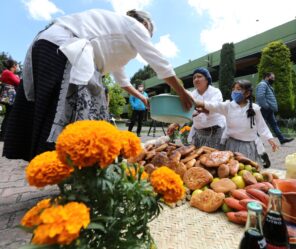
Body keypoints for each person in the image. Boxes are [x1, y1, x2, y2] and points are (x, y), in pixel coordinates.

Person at [3, 9, 193, 161]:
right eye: (149, 32)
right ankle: (76, 166)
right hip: (64, 49)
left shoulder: (120, 37)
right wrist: (183, 93)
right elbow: (159, 62)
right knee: (73, 118)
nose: (148, 36)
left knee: (52, 112)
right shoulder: (135, 26)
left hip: (49, 46)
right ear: (145, 24)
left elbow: (122, 80)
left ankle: (67, 167)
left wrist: (142, 97)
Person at [194, 80, 278, 164]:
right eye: (233, 89)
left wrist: (270, 138)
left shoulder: (255, 108)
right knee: (232, 168)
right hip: (231, 144)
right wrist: (195, 102)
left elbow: (261, 126)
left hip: (248, 146)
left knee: (247, 168)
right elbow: (212, 105)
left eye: (238, 89)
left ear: (247, 93)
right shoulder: (228, 106)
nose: (234, 91)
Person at [167, 67, 226, 149]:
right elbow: (187, 112)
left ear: (207, 79)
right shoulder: (192, 95)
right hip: (199, 133)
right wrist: (175, 124)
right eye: (194, 78)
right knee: (197, 157)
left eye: (199, 76)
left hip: (215, 132)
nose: (196, 79)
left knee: (213, 157)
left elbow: (214, 107)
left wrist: (200, 107)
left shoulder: (215, 92)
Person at [256, 72, 294, 145]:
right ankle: (256, 141)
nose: (273, 80)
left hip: (269, 109)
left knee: (274, 124)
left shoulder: (268, 85)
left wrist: (269, 107)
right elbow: (260, 97)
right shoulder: (262, 84)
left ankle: (282, 139)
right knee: (261, 125)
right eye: (272, 78)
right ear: (267, 77)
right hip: (264, 109)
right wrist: (266, 106)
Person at [0, 59, 20, 140]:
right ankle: (3, 135)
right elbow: (18, 82)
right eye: (16, 65)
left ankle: (3, 134)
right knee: (9, 115)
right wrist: (17, 77)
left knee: (8, 115)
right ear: (13, 66)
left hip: (7, 95)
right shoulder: (8, 73)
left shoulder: (6, 72)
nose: (17, 67)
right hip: (9, 96)